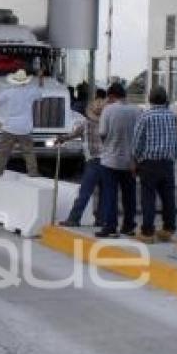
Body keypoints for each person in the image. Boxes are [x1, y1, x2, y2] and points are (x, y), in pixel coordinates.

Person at [132, 85, 177, 244]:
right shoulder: (172, 116)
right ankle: (169, 228)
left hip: (149, 163)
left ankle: (147, 232)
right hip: (167, 162)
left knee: (148, 197)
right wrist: (172, 157)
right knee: (168, 197)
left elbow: (137, 142)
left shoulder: (145, 117)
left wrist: (135, 160)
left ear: (149, 99)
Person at [96, 82, 141, 238]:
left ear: (112, 96)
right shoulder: (137, 111)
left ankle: (110, 227)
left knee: (110, 194)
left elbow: (102, 133)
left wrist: (107, 144)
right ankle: (128, 225)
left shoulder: (108, 110)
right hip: (130, 162)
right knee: (129, 195)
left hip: (110, 160)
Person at [58, 89, 108, 227]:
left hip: (93, 161)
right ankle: (101, 219)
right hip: (107, 161)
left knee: (85, 192)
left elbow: (72, 135)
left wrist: (61, 139)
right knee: (104, 192)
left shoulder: (85, 124)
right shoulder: (107, 124)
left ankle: (74, 219)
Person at [0, 69, 42, 178]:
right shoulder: (30, 91)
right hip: (25, 127)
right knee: (28, 151)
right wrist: (40, 78)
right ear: (25, 81)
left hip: (10, 126)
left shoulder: (8, 92)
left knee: (3, 151)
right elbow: (40, 93)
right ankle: (33, 172)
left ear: (14, 80)